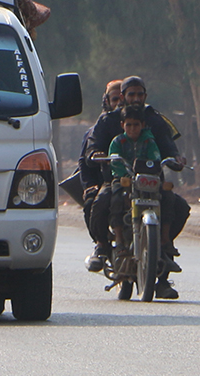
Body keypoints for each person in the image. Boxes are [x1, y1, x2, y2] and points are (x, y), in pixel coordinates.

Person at [84, 76, 190, 295]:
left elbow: (168, 146)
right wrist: (96, 154)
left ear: (145, 96)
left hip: (150, 180)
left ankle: (163, 262)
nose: (136, 99)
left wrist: (176, 159)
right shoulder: (108, 121)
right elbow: (92, 146)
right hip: (117, 179)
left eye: (139, 94)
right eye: (131, 94)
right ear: (122, 97)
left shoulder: (155, 120)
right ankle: (102, 247)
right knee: (101, 202)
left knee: (179, 207)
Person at [79, 80, 122, 272]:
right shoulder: (100, 126)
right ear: (107, 101)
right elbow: (86, 160)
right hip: (107, 180)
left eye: (125, 98)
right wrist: (90, 185)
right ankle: (101, 244)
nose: (120, 103)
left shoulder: (147, 119)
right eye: (115, 99)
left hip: (140, 181)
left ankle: (163, 253)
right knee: (93, 203)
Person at [107, 104, 162, 253]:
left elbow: (155, 158)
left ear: (142, 125)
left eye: (136, 125)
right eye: (128, 125)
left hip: (146, 181)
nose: (132, 128)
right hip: (124, 180)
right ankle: (118, 239)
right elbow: (115, 162)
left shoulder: (149, 142)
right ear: (122, 125)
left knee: (167, 199)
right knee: (116, 199)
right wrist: (125, 175)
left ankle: (165, 242)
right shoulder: (118, 142)